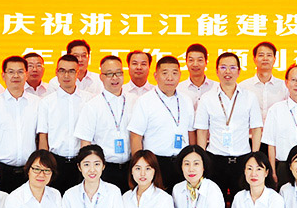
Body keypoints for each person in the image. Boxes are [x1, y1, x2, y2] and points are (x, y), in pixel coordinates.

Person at [194, 52, 263, 207]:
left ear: (239, 71)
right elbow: (202, 131)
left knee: (243, 203)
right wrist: (201, 159)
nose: (228, 72)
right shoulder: (207, 98)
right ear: (217, 71)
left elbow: (256, 128)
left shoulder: (249, 97)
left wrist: (254, 156)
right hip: (215, 159)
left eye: (232, 67)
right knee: (213, 204)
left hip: (243, 159)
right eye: (223, 67)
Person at [0, 56, 42, 192]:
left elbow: (41, 137)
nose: (16, 76)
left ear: (26, 74)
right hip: (0, 170)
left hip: (29, 171)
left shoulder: (38, 103)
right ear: (3, 75)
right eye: (11, 72)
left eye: (20, 72)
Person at [129, 56, 196, 190]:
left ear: (180, 75)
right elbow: (136, 136)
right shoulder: (145, 101)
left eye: (174, 73)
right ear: (156, 76)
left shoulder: (186, 100)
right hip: (155, 163)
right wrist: (140, 167)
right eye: (165, 73)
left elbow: (190, 133)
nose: (170, 78)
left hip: (181, 162)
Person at [76, 55, 136, 191]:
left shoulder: (135, 101)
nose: (115, 78)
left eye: (118, 73)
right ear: (101, 77)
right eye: (109, 74)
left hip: (130, 168)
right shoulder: (92, 105)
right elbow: (85, 142)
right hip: (104, 169)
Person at [39, 54, 94, 192]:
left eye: (71, 71)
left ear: (78, 73)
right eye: (62, 71)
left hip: (82, 161)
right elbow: (43, 136)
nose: (66, 75)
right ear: (56, 73)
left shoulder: (89, 100)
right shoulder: (47, 102)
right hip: (55, 162)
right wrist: (44, 164)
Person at [241, 41, 288, 123]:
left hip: (276, 131)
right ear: (254, 59)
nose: (265, 58)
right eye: (261, 55)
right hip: (250, 131)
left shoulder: (284, 86)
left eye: (269, 55)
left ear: (274, 60)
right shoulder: (244, 87)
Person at [176, 43, 217, 110]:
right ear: (186, 62)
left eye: (200, 60)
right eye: (191, 60)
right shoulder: (178, 89)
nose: (195, 64)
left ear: (206, 62)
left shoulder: (217, 88)